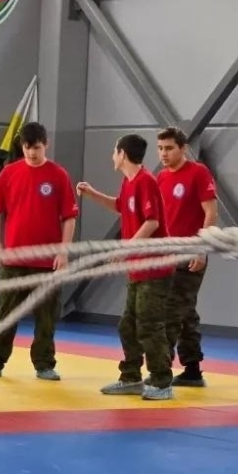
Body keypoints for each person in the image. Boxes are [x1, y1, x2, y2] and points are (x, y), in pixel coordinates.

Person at [0, 122, 78, 381]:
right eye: (28, 148)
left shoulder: (58, 175)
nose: (32, 153)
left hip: (48, 262)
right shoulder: (9, 173)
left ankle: (44, 364)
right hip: (14, 260)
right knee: (6, 314)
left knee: (47, 316)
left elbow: (69, 217)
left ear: (46, 145)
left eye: (37, 148)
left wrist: (63, 252)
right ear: (22, 146)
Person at [78, 133, 176, 401]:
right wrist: (92, 194)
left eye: (114, 151)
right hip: (137, 269)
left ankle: (161, 381)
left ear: (122, 154)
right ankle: (131, 376)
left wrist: (125, 249)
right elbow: (122, 206)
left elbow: (152, 222)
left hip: (154, 269)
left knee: (149, 324)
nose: (112, 156)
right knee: (128, 325)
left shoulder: (146, 181)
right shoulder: (129, 182)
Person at [154, 126, 217, 387]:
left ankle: (161, 371)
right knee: (185, 311)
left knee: (171, 310)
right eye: (160, 148)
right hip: (166, 253)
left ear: (183, 148)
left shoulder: (198, 172)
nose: (164, 153)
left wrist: (202, 249)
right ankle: (192, 368)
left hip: (190, 252)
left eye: (169, 148)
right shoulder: (161, 177)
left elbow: (210, 213)